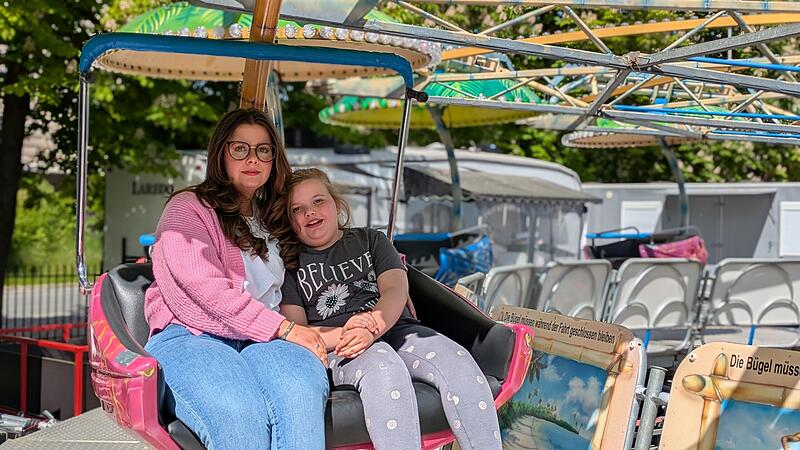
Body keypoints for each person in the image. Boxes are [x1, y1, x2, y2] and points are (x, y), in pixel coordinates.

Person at [275, 168, 502, 450]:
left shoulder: (371, 240)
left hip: (394, 327)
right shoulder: (291, 265)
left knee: (456, 360)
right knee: (384, 368)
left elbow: (395, 289)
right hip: (341, 347)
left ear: (337, 203)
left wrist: (371, 325)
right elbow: (299, 331)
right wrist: (351, 334)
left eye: (318, 201)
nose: (310, 212)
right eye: (297, 209)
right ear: (290, 220)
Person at [143, 109, 329, 450]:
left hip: (266, 340)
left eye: (263, 150)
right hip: (195, 335)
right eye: (240, 148)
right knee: (239, 413)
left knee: (301, 396)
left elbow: (329, 243)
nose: (253, 159)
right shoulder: (188, 209)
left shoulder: (274, 215)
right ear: (221, 154)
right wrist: (285, 328)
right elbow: (206, 291)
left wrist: (391, 271)